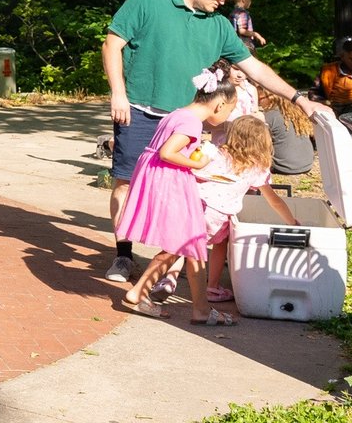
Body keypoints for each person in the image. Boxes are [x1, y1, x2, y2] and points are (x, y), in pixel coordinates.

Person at [101, 0, 320, 283]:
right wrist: (118, 93)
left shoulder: (218, 26)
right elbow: (111, 45)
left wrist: (300, 99)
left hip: (182, 120)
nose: (222, 3)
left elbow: (255, 68)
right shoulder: (146, 0)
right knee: (126, 182)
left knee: (179, 190)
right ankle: (123, 255)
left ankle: (166, 265)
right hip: (138, 109)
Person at [118, 66, 239, 326]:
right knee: (189, 241)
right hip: (170, 184)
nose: (229, 115)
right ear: (219, 105)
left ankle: (146, 295)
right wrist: (199, 163)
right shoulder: (192, 122)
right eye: (230, 110)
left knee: (188, 243)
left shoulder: (178, 113)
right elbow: (167, 152)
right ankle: (198, 310)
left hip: (161, 178)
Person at [198, 114, 298, 306]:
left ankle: (167, 279)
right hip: (219, 214)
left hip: (196, 204)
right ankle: (212, 287)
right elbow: (274, 201)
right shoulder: (256, 168)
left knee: (182, 247)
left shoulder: (218, 154)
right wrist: (292, 222)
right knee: (220, 244)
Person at [258, 89, 317, 176]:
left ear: (270, 98)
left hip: (283, 167)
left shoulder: (268, 117)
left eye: (259, 99)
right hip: (307, 164)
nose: (258, 103)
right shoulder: (297, 112)